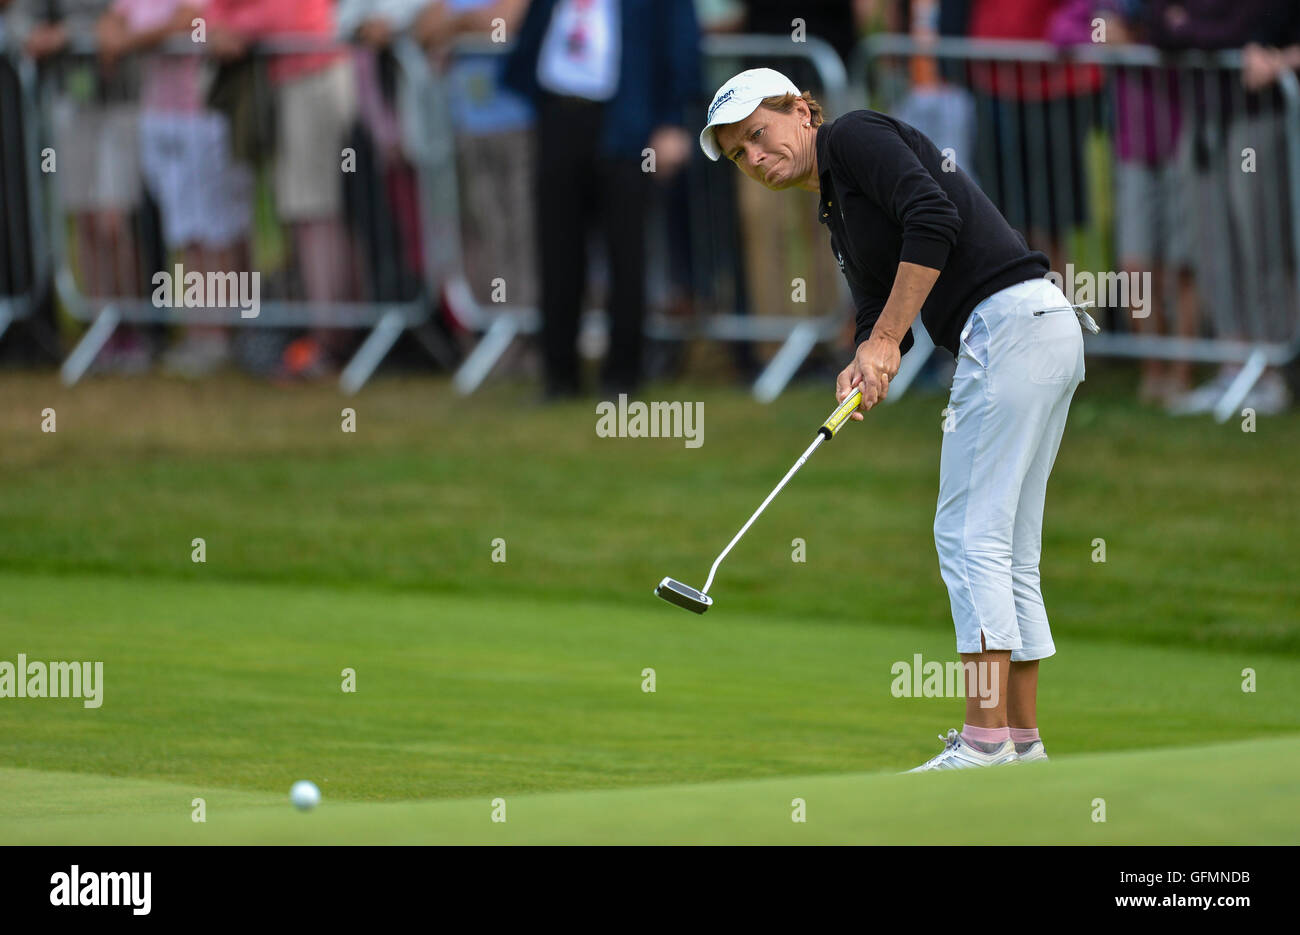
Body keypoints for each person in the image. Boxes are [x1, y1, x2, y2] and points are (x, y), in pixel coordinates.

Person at [701, 68, 1088, 770]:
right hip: (1038, 327)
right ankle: (1022, 740)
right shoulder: (837, 207)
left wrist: (884, 342)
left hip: (1008, 326)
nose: (755, 159)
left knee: (967, 532)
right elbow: (882, 307)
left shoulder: (854, 137)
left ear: (801, 109)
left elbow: (933, 217)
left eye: (759, 135)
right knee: (1007, 543)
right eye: (738, 156)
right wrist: (866, 356)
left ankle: (983, 740)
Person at [502, 0, 701, 400]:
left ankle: (623, 376)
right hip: (559, 111)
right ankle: (559, 377)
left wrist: (672, 122)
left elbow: (681, 40)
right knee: (557, 249)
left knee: (627, 251)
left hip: (628, 119)